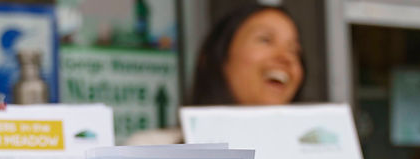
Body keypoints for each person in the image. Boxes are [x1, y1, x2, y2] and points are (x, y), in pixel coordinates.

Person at [125, 4, 305, 145]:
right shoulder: (152, 151)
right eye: (265, 40)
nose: (286, 57)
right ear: (219, 58)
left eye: (294, 50)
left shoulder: (323, 156)